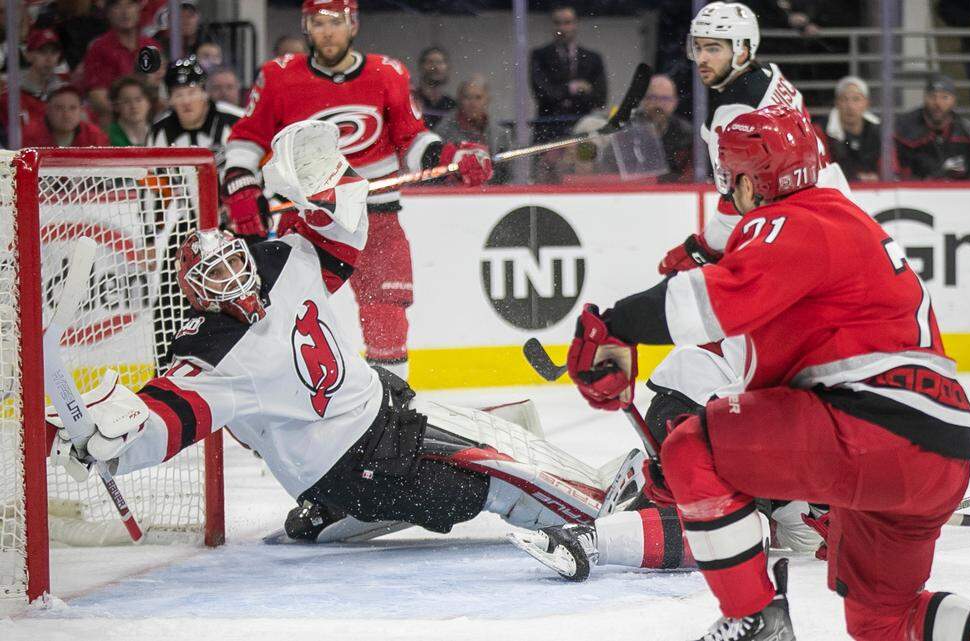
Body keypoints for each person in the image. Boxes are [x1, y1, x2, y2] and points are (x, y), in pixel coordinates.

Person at [558, 105, 970, 641]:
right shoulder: (838, 221)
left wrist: (615, 326)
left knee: (692, 447)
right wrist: (719, 477)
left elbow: (704, 304)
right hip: (938, 452)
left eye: (732, 181)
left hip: (867, 429)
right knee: (882, 623)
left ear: (755, 180)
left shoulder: (789, 220)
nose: (730, 196)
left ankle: (755, 620)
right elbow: (774, 389)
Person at [46, 120, 616, 553]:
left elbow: (344, 231)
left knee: (508, 420)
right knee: (493, 472)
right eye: (214, 278)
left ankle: (328, 513)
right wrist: (105, 437)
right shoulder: (210, 357)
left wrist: (321, 190)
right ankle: (605, 524)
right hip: (358, 463)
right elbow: (166, 418)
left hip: (380, 420)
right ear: (197, 296)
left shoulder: (280, 260)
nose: (235, 279)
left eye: (233, 263)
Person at [514, 2, 848, 577]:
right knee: (684, 390)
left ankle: (789, 507)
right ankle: (797, 507)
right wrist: (706, 250)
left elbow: (743, 211)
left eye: (715, 47)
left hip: (803, 288)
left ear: (744, 48)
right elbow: (749, 201)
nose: (703, 58)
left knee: (691, 402)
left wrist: (681, 274)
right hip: (812, 264)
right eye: (699, 47)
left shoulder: (740, 115)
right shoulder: (768, 87)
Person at [223, 0, 492, 382]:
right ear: (306, 27)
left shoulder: (387, 74)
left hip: (376, 219)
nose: (328, 31)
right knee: (284, 314)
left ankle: (392, 414)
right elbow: (247, 137)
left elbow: (411, 140)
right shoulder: (278, 76)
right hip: (308, 222)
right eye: (318, 22)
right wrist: (240, 180)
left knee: (387, 318)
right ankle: (282, 410)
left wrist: (452, 154)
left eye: (336, 22)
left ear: (353, 25)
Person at [148, 56, 242, 172]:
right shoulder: (159, 131)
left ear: (205, 93)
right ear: (170, 100)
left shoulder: (236, 121)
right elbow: (152, 181)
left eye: (192, 92)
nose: (186, 101)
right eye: (179, 95)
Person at [529, 5, 607, 144]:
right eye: (557, 23)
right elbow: (542, 93)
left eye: (567, 23)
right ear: (551, 25)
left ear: (576, 24)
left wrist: (560, 92)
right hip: (549, 131)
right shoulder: (540, 56)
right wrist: (575, 88)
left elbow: (600, 98)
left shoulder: (592, 58)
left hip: (583, 129)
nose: (562, 28)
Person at [78, 0, 162, 129]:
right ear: (109, 13)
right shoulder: (99, 48)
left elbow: (158, 89)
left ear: (138, 9)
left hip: (150, 121)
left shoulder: (151, 46)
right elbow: (97, 98)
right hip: (115, 124)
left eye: (130, 4)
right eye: (117, 6)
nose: (125, 12)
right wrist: (132, 113)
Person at [895, 75, 970, 180]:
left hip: (958, 193)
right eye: (932, 97)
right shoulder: (905, 129)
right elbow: (899, 175)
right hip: (919, 193)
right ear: (924, 98)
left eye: (945, 97)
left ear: (954, 100)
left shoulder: (968, 132)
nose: (938, 103)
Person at [433, 76, 512, 184]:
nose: (472, 103)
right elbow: (437, 173)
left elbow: (509, 173)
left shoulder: (501, 133)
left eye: (478, 97)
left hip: (492, 194)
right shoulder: (443, 131)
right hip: (454, 193)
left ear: (487, 100)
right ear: (459, 100)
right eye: (467, 97)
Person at [0, 28, 66, 132]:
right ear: (28, 55)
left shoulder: (66, 94)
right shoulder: (11, 97)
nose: (49, 59)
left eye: (54, 53)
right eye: (42, 52)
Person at [635, 74, 693, 183]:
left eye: (665, 98)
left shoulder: (687, 135)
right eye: (653, 98)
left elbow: (691, 177)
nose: (659, 104)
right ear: (643, 100)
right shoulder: (627, 132)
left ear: (674, 102)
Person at [823, 75, 881, 182]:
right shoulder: (823, 132)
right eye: (844, 99)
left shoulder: (878, 131)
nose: (850, 106)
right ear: (837, 103)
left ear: (867, 103)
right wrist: (857, 178)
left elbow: (889, 168)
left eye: (856, 99)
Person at [22, 84, 110, 147]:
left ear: (81, 111)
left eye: (73, 108)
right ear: (47, 110)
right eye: (59, 108)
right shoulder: (31, 135)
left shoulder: (95, 136)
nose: (66, 114)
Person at [413, 46, 456, 129]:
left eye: (440, 62)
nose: (435, 67)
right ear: (421, 66)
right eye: (430, 62)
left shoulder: (452, 105)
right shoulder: (412, 100)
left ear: (447, 68)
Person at [107, 75, 153, 146]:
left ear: (149, 102)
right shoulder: (107, 137)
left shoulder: (159, 133)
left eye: (138, 100)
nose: (133, 106)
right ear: (116, 106)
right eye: (126, 101)